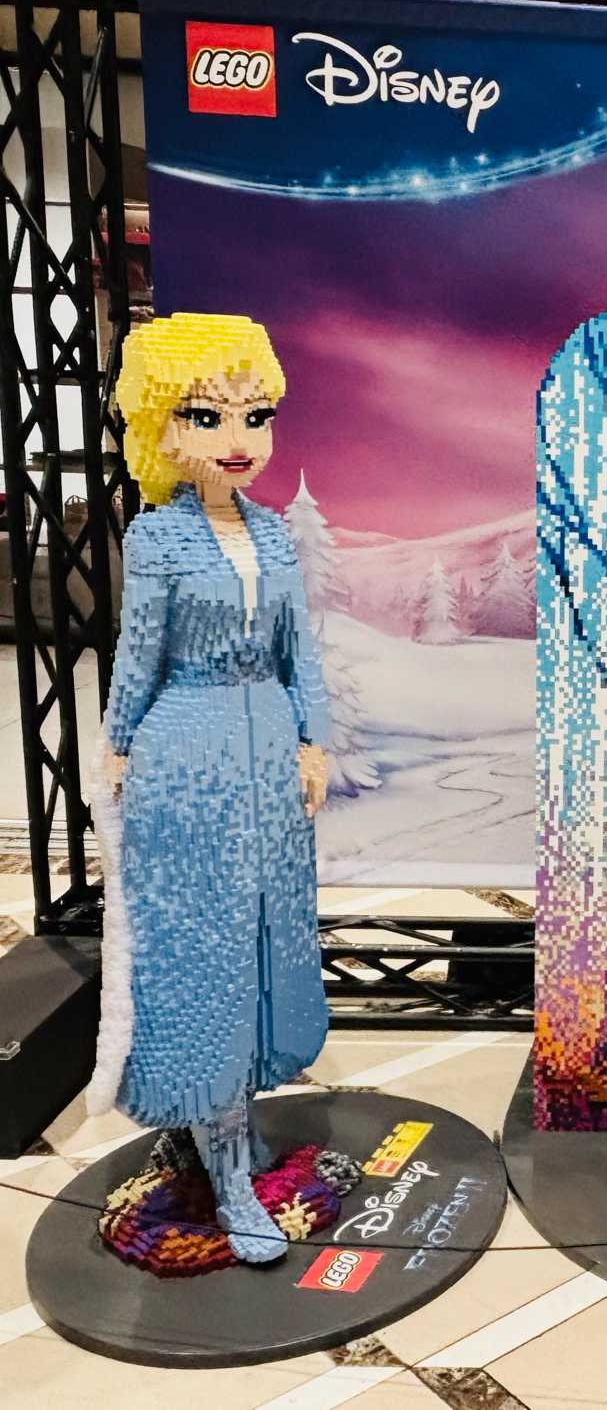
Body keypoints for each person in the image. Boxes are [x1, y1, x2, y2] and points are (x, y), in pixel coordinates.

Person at [88, 312, 331, 1264]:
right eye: (207, 415)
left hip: (268, 758)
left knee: (269, 940)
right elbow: (137, 655)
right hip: (184, 760)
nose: (238, 439)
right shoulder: (157, 537)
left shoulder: (273, 535)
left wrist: (313, 739)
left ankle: (235, 1122)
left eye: (255, 416)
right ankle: (225, 1170)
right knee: (205, 957)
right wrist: (115, 749)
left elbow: (300, 651)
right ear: (162, 426)